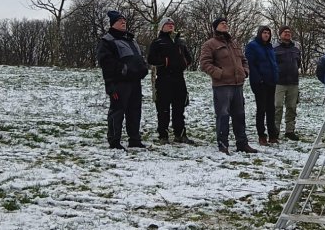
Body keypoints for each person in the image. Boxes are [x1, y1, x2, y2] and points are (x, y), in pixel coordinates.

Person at [199, 18, 258, 155]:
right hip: (222, 85)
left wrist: (245, 71)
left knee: (239, 115)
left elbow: (244, 60)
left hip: (238, 84)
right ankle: (223, 144)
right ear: (215, 27)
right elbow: (205, 64)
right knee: (223, 115)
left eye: (226, 23)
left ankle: (242, 143)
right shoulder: (209, 44)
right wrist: (220, 74)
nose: (225, 25)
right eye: (222, 23)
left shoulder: (234, 43)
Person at [97, 11, 149, 150]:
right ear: (113, 23)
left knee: (134, 111)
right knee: (117, 111)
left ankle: (134, 139)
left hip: (135, 82)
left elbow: (138, 57)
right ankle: (114, 141)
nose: (123, 22)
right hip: (118, 82)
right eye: (120, 20)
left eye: (124, 20)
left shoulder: (131, 40)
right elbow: (106, 64)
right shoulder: (107, 41)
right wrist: (123, 70)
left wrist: (143, 68)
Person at [147, 17, 194, 145]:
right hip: (164, 79)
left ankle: (180, 134)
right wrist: (165, 62)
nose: (170, 26)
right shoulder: (157, 42)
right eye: (167, 24)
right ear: (162, 27)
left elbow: (189, 58)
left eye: (172, 24)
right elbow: (151, 59)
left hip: (179, 79)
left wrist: (184, 62)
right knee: (163, 109)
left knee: (179, 108)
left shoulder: (180, 41)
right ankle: (163, 135)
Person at [244, 26, 279, 146]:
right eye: (264, 32)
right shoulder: (252, 46)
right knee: (261, 109)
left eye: (268, 33)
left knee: (271, 109)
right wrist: (258, 79)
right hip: (259, 82)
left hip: (271, 81)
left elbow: (273, 63)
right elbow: (251, 64)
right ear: (260, 34)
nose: (266, 35)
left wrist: (275, 76)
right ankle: (261, 135)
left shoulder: (270, 47)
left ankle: (272, 134)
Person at [274, 26, 302, 142]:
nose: (287, 33)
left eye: (289, 32)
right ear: (280, 34)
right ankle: (275, 130)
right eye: (285, 32)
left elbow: (298, 63)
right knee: (277, 107)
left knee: (292, 107)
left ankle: (290, 131)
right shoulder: (274, 48)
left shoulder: (296, 48)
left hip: (293, 82)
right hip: (278, 82)